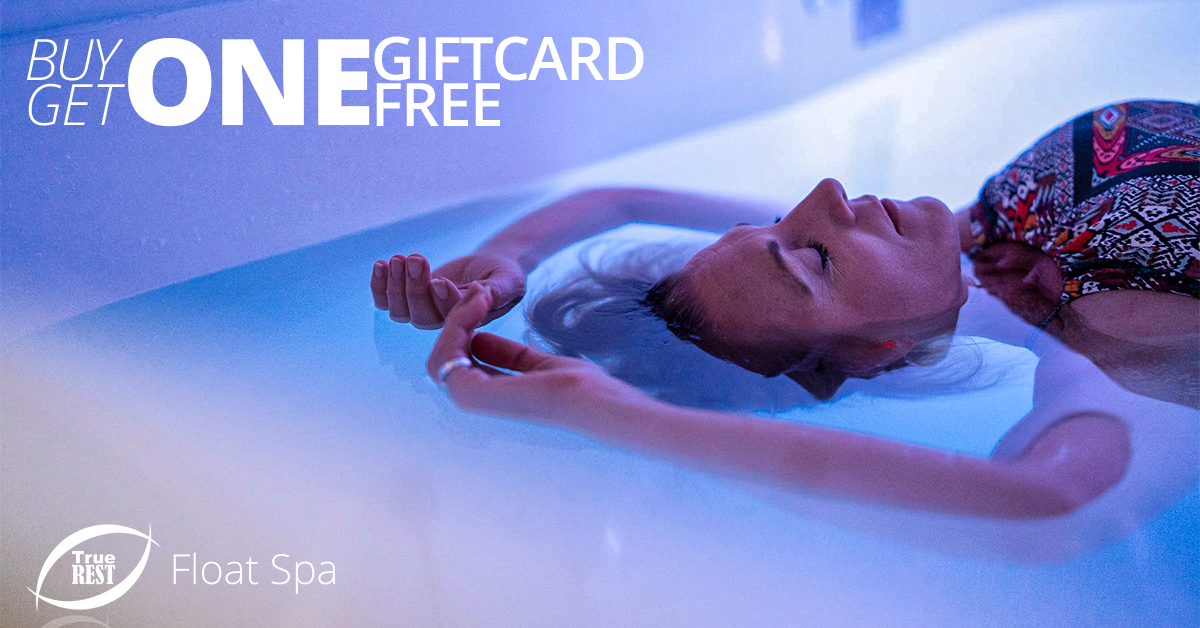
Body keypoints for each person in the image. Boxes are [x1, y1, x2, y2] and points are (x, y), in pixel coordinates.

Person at [369, 100, 1199, 528]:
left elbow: (621, 198)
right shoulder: (1105, 345)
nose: (822, 195)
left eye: (774, 225)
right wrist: (611, 415)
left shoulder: (976, 237)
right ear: (878, 349)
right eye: (813, 258)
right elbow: (1042, 500)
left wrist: (508, 257)